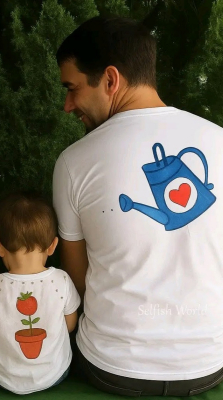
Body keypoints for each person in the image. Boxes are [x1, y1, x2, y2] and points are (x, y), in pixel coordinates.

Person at [53, 16, 223, 397]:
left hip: (112, 369)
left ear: (110, 80)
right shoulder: (219, 141)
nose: (67, 106)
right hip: (208, 365)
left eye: (72, 89)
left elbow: (78, 280)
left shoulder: (73, 162)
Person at [0, 192, 80, 395]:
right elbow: (70, 325)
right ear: (53, 246)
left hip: (2, 377)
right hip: (54, 374)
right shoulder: (62, 281)